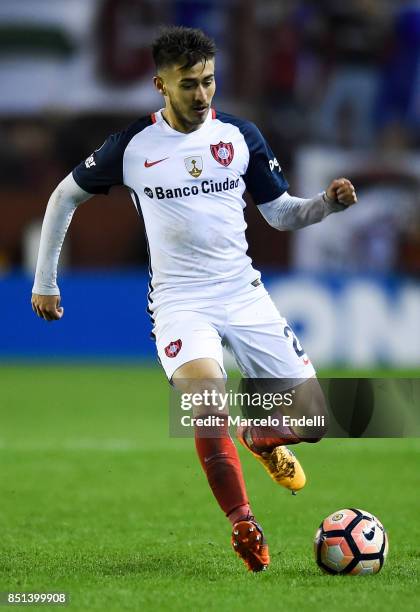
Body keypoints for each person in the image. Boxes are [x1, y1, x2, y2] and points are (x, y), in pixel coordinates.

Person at [31, 26, 358, 573]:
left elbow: (279, 212)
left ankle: (257, 431)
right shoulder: (133, 146)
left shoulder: (240, 135)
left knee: (316, 420)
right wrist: (46, 280)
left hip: (243, 293)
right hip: (182, 302)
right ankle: (244, 523)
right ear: (161, 84)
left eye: (209, 81)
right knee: (205, 403)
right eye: (189, 84)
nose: (202, 95)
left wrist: (325, 204)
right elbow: (64, 196)